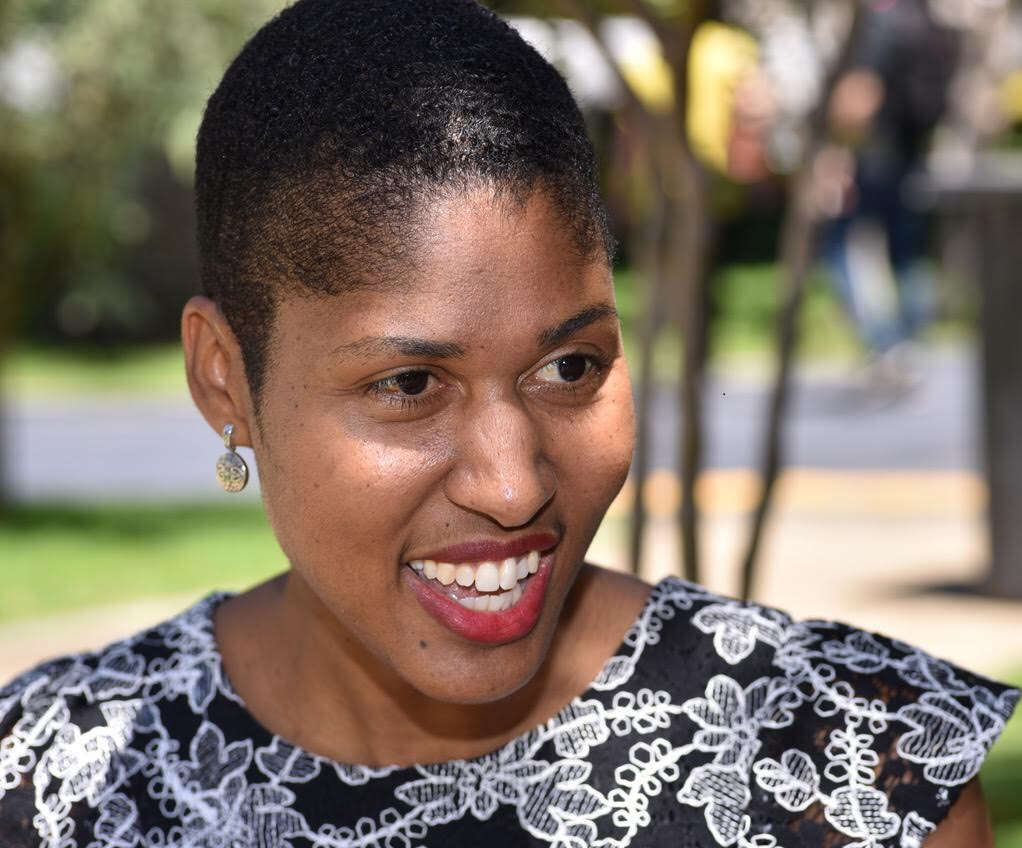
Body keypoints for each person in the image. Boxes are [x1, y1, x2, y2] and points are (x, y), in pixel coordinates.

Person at [0, 1, 1015, 845]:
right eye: (408, 383)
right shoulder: (48, 787)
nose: (512, 481)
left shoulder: (854, 779)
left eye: (568, 366)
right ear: (223, 380)